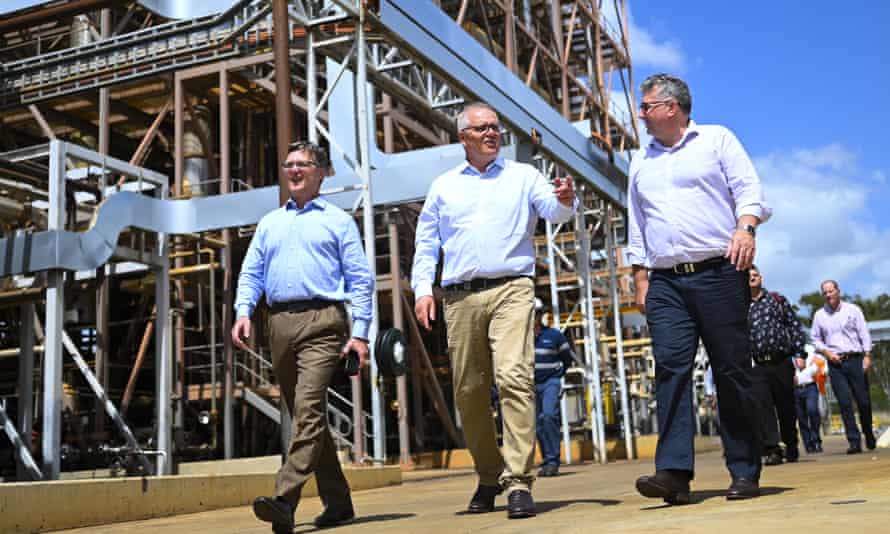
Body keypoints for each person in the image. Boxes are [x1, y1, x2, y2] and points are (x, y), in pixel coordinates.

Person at [411, 102, 576, 519]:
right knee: (468, 391)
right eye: (482, 128)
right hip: (459, 295)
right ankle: (489, 475)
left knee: (514, 377)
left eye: (495, 127)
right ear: (462, 136)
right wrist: (421, 290)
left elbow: (554, 212)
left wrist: (566, 200)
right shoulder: (444, 186)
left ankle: (519, 481)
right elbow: (427, 242)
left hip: (512, 288)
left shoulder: (524, 176)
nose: (491, 133)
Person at [627, 74, 771, 504]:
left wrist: (746, 229)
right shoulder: (641, 160)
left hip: (719, 271)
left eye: (646, 106)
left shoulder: (716, 140)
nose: (640, 114)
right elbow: (636, 218)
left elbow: (750, 189)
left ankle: (744, 468)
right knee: (670, 367)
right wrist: (639, 277)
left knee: (730, 369)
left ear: (671, 107)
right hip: (666, 280)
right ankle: (672, 472)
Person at [232, 141, 373, 533]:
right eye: (289, 164)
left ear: (321, 172)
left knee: (308, 410)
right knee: (306, 416)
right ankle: (339, 504)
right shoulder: (270, 222)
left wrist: (359, 335)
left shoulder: (338, 221)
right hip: (278, 323)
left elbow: (360, 280)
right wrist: (244, 311)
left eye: (303, 164)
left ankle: (284, 499)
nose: (293, 170)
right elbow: (251, 273)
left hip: (322, 322)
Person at [747, 266, 806, 466]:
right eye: (749, 276)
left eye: (755, 275)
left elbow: (794, 326)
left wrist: (800, 353)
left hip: (781, 362)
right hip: (758, 365)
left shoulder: (776, 300)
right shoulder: (741, 306)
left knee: (786, 407)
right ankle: (773, 449)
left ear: (761, 277)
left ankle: (791, 444)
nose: (752, 278)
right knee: (763, 409)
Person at [810, 280, 875, 453]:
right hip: (835, 363)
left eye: (831, 291)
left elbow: (864, 332)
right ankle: (854, 441)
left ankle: (868, 433)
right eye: (825, 292)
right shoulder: (819, 315)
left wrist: (867, 355)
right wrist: (826, 352)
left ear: (838, 291)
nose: (829, 295)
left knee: (863, 401)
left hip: (855, 359)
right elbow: (815, 338)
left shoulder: (853, 310)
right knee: (845, 403)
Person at [533, 299, 576, 477]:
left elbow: (567, 357)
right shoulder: (518, 338)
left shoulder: (554, 336)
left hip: (550, 381)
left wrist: (558, 376)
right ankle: (547, 462)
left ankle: (553, 461)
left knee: (549, 415)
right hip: (529, 384)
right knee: (537, 424)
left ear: (539, 316)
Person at [794, 348, 827, 454]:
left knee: (812, 411)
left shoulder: (812, 352)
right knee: (801, 418)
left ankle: (816, 439)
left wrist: (821, 371)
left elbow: (823, 366)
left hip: (810, 387)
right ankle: (808, 444)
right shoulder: (787, 354)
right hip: (795, 389)